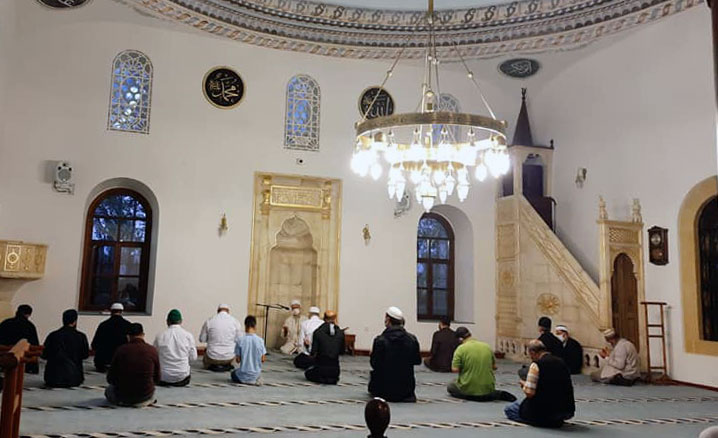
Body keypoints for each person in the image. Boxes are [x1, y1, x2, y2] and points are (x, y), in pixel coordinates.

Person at [504, 340, 575, 428]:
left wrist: (524, 384)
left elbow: (529, 393)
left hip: (542, 411)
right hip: (564, 411)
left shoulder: (536, 365)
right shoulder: (561, 362)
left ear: (533, 352)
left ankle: (540, 421)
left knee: (510, 409)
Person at [447, 327, 516, 402]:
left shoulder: (460, 349)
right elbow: (494, 367)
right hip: (487, 388)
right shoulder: (486, 346)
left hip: (468, 388)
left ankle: (471, 396)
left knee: (451, 386)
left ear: (460, 339)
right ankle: (494, 394)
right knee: (486, 391)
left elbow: (455, 369)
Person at [368, 306, 422, 402]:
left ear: (388, 320)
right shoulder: (412, 339)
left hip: (384, 391)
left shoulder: (380, 340)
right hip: (406, 391)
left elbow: (374, 364)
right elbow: (417, 361)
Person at [105, 323, 160, 407]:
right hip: (145, 395)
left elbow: (110, 378)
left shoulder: (121, 350)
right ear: (143, 335)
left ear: (128, 336)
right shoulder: (152, 350)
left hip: (123, 396)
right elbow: (157, 378)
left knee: (108, 390)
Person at [41, 309, 90, 388]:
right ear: (75, 321)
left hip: (53, 378)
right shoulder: (81, 336)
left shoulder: (53, 335)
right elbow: (85, 355)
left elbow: (44, 355)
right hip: (74, 378)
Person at [154, 309, 197, 387]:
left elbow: (154, 356)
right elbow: (193, 358)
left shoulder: (160, 336)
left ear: (167, 321)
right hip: (182, 378)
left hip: (163, 377)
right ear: (181, 321)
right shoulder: (188, 336)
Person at [305, 311, 345, 384]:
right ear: (335, 319)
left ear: (324, 318)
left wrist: (307, 346)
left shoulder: (318, 332)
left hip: (321, 370)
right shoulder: (340, 333)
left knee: (308, 373)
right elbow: (342, 351)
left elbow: (313, 353)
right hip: (335, 372)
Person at [199, 304, 242, 372]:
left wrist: (211, 339)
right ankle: (228, 364)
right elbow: (240, 340)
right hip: (229, 357)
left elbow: (202, 339)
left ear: (218, 311)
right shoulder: (235, 321)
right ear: (228, 311)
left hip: (212, 357)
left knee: (206, 351)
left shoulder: (209, 320)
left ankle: (210, 365)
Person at [91, 303, 132, 372]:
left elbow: (94, 344)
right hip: (121, 363)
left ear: (111, 311)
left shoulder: (103, 325)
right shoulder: (128, 325)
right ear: (122, 312)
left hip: (103, 363)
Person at [0, 304, 40, 374]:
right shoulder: (30, 326)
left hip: (4, 357)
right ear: (28, 314)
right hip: (23, 361)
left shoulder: (5, 323)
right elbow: (34, 344)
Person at [231, 315, 266, 385]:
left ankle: (245, 379)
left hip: (243, 375)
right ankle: (256, 379)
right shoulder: (260, 341)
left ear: (245, 326)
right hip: (255, 374)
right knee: (257, 373)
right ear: (255, 326)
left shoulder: (240, 340)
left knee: (233, 373)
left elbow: (238, 360)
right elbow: (263, 359)